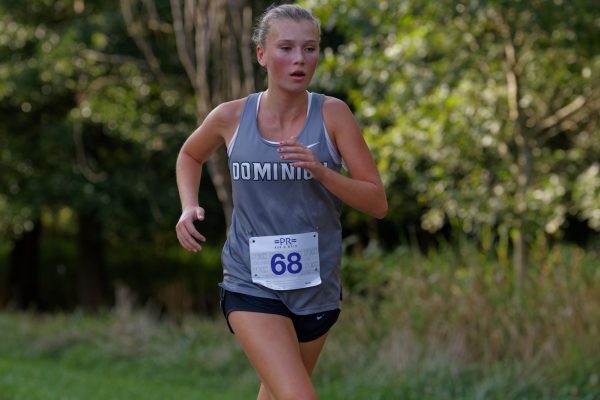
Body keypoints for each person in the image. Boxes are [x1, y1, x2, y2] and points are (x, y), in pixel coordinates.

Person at [175, 4, 387, 399]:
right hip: (249, 282)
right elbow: (190, 155)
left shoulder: (333, 115)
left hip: (316, 286)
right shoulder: (231, 116)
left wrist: (323, 172)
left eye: (309, 49)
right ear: (262, 55)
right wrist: (189, 205)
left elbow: (377, 202)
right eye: (286, 48)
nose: (299, 59)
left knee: (275, 395)